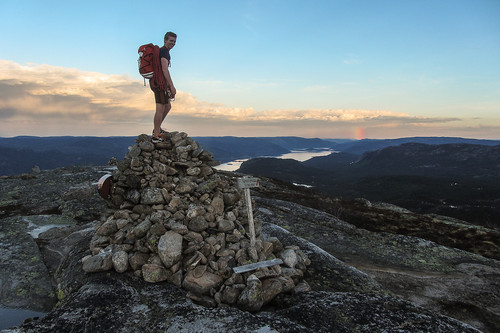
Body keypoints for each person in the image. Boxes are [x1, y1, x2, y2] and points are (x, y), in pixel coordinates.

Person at [151, 31, 177, 143]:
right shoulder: (164, 52)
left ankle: (157, 129)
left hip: (158, 82)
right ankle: (156, 135)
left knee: (167, 106)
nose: (173, 43)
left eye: (174, 41)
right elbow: (164, 69)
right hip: (159, 83)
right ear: (165, 40)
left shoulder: (162, 51)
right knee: (160, 107)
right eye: (171, 40)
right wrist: (171, 86)